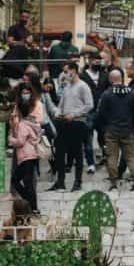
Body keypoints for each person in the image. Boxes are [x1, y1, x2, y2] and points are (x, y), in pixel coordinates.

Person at [49, 61, 93, 192]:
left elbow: (89, 105)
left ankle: (78, 182)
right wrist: (57, 113)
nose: (65, 74)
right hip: (63, 122)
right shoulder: (67, 86)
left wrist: (74, 114)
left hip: (77, 123)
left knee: (77, 153)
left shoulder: (83, 86)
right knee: (60, 152)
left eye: (67, 71)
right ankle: (60, 181)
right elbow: (61, 103)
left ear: (74, 70)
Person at [96, 68, 134, 191]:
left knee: (112, 157)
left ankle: (113, 184)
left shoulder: (106, 94)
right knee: (131, 157)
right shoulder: (132, 93)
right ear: (122, 78)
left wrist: (106, 126)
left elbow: (101, 113)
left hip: (112, 130)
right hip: (127, 129)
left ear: (111, 80)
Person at [8, 96, 42, 214]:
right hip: (30, 156)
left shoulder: (23, 124)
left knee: (18, 181)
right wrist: (13, 127)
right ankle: (33, 207)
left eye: (17, 112)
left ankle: (32, 206)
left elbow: (20, 142)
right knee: (27, 183)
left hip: (26, 157)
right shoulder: (30, 122)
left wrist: (10, 139)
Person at [80, 56, 109, 174]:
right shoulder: (83, 76)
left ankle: (105, 157)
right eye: (95, 61)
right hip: (89, 112)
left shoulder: (104, 75)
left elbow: (108, 90)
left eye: (99, 61)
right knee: (88, 139)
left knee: (104, 136)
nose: (97, 63)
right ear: (89, 61)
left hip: (102, 112)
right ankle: (90, 163)